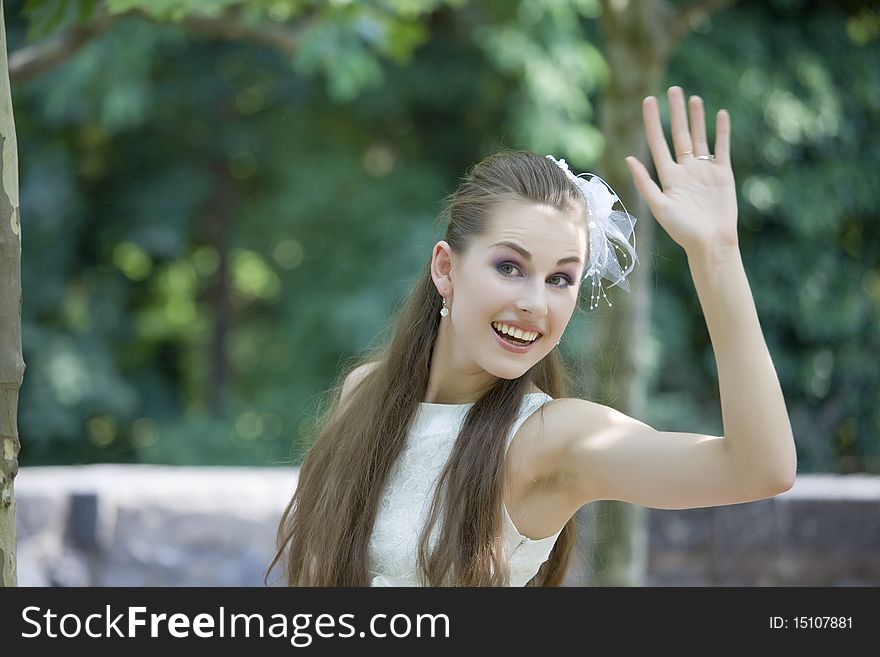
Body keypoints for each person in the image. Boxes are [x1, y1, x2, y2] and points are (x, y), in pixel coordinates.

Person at [265, 86, 797, 587]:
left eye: (561, 278)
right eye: (510, 267)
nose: (536, 304)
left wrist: (717, 254)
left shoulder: (554, 439)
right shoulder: (364, 393)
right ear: (446, 268)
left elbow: (759, 470)